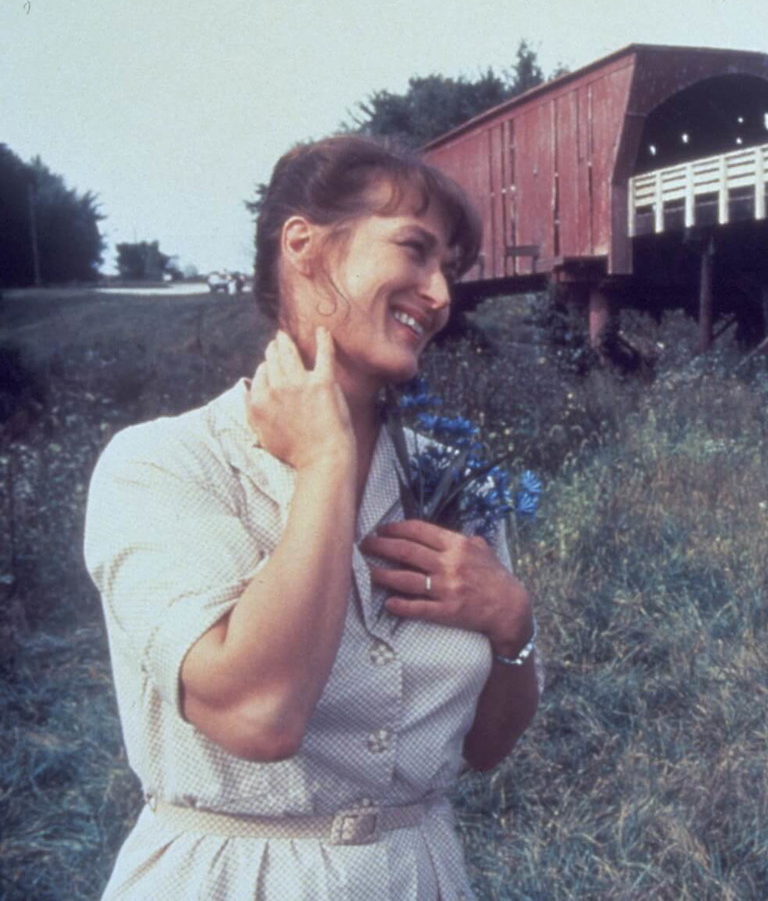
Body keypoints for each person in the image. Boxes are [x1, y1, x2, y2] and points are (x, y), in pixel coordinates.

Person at [84, 135, 543, 900]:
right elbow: (260, 714)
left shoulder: (447, 478)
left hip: (416, 876)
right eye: (414, 250)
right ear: (303, 245)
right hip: (231, 879)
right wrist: (326, 462)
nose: (440, 296)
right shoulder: (162, 465)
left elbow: (487, 745)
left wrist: (514, 625)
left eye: (449, 271)